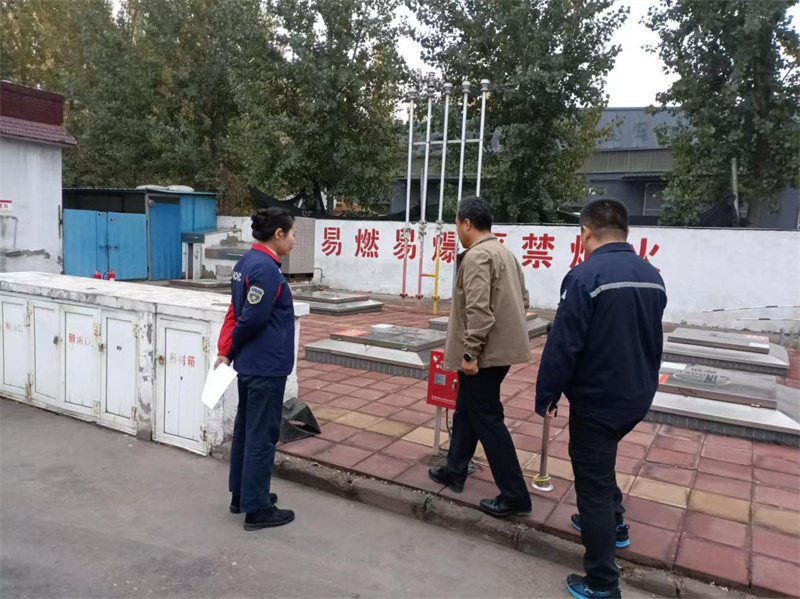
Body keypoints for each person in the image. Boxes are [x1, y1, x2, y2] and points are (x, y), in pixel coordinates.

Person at [535, 199, 667, 599]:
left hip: (598, 399)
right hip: (636, 396)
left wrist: (547, 393)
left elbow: (564, 345)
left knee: (591, 485)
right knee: (601, 461)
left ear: (585, 233)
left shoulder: (584, 276)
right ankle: (617, 525)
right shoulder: (651, 276)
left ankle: (602, 583)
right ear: (625, 231)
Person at [428, 197, 533, 518]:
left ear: (466, 223)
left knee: (488, 420)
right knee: (467, 410)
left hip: (483, 355)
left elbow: (479, 310)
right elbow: (525, 299)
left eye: (456, 224)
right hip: (500, 351)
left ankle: (515, 495)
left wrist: (470, 353)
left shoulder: (477, 256)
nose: (456, 231)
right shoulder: (504, 252)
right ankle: (455, 470)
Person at [216, 207, 297, 531]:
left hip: (251, 365)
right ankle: (257, 508)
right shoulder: (266, 270)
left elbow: (233, 313)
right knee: (261, 437)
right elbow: (250, 319)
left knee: (246, 432)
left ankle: (242, 495)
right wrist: (230, 350)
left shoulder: (246, 263)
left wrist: (226, 352)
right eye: (292, 234)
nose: (293, 241)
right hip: (265, 367)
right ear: (278, 234)